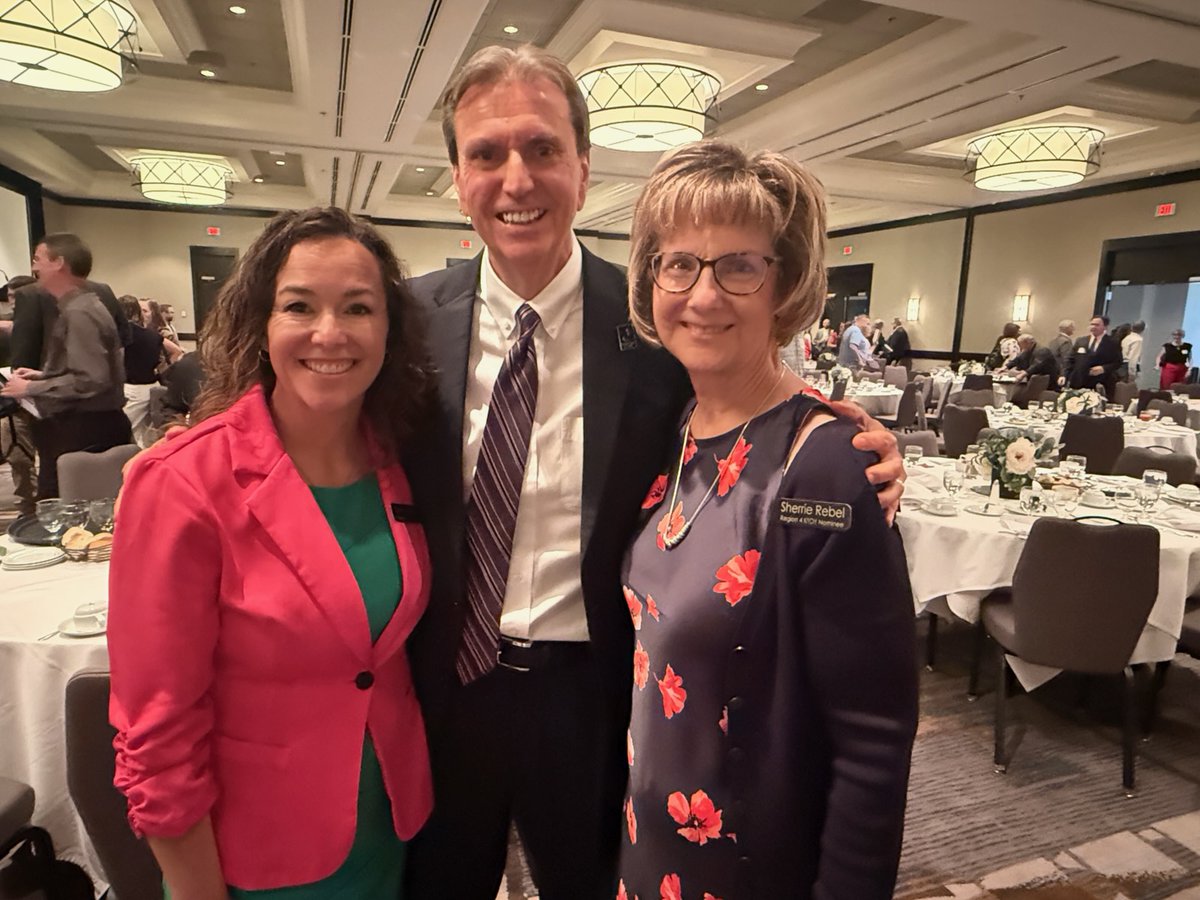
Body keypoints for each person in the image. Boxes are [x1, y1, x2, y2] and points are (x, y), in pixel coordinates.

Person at [400, 44, 905, 900]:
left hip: (596, 706)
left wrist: (860, 452)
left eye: (542, 149)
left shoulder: (651, 332)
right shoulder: (407, 325)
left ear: (583, 168)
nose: (516, 179)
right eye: (486, 154)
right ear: (456, 176)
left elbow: (751, 404)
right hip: (443, 696)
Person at [107, 207, 436, 898]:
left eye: (357, 308)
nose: (330, 333)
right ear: (261, 323)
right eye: (299, 306)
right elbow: (156, 736)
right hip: (253, 861)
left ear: (389, 330)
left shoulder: (396, 462)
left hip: (389, 840)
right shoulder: (182, 482)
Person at [619, 140, 917, 898]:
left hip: (749, 867)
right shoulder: (679, 424)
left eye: (739, 266)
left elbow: (874, 745)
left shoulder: (823, 468)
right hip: (647, 842)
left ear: (786, 287)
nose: (703, 294)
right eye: (679, 262)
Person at [0, 234, 131, 499]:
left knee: (65, 508)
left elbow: (93, 379)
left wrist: (32, 386)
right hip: (87, 425)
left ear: (59, 263)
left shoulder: (80, 311)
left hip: (81, 429)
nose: (34, 267)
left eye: (38, 259)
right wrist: (44, 374)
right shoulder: (82, 305)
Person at [119, 294, 182, 446]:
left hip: (131, 388)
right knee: (146, 433)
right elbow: (176, 351)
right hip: (151, 386)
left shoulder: (121, 335)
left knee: (126, 432)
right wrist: (164, 371)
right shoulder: (153, 335)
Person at [1066, 315, 1122, 397]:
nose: (1093, 327)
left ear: (1105, 327)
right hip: (1079, 382)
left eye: (1097, 325)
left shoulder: (1113, 342)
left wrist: (1103, 368)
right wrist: (1065, 375)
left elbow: (1118, 362)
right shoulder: (1081, 341)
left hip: (1101, 382)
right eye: (1092, 324)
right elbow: (1070, 359)